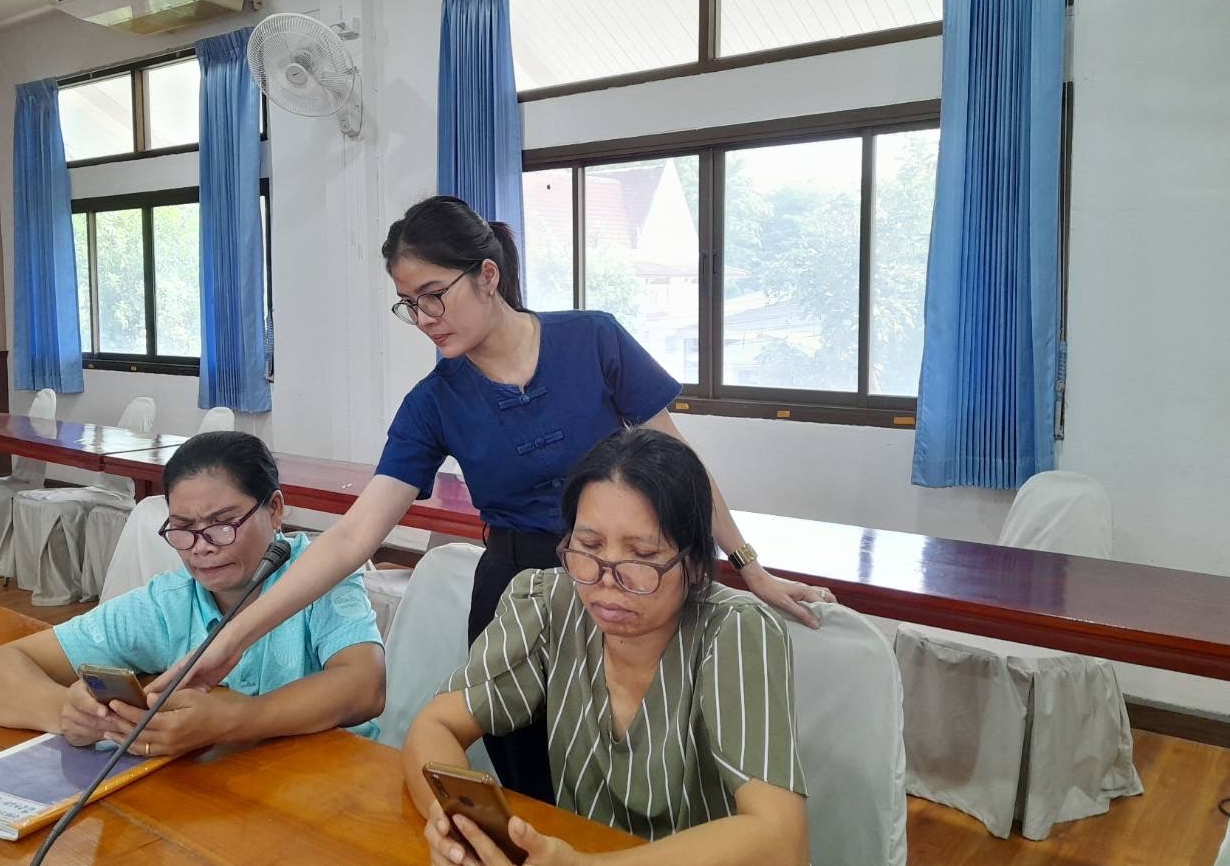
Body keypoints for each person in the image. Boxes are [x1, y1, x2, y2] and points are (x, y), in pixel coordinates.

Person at [152, 197, 831, 802]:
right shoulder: (434, 402)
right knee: (534, 783)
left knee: (647, 773)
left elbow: (681, 470)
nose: (424, 319)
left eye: (433, 295)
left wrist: (747, 564)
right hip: (517, 597)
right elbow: (354, 537)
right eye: (408, 304)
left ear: (487, 274)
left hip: (622, 581)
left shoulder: (592, 340)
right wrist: (230, 640)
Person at [402, 428, 822, 866]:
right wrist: (456, 830)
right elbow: (433, 727)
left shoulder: (734, 632)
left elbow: (781, 842)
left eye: (642, 556)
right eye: (589, 546)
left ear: (694, 564)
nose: (607, 580)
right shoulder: (549, 603)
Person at [0, 431, 385, 756]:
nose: (201, 547)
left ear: (274, 509)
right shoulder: (170, 602)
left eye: (223, 524)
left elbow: (365, 686)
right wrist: (67, 712)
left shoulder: (321, 576)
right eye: (183, 528)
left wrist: (236, 719)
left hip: (330, 786)